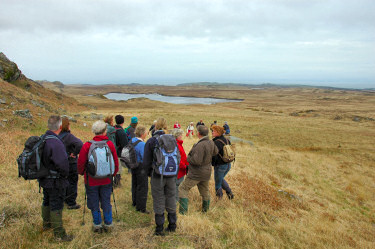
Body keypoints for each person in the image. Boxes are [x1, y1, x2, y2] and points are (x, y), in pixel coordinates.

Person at [77, 120, 119, 233]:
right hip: (106, 179)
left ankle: (97, 224)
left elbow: (81, 163)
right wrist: (113, 174)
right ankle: (108, 223)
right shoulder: (110, 144)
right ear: (105, 131)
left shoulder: (87, 145)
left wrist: (82, 173)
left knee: (93, 202)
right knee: (106, 200)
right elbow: (115, 161)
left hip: (91, 180)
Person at [40, 115, 73, 241]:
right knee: (56, 204)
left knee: (47, 200)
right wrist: (65, 174)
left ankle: (47, 225)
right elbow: (62, 164)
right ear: (60, 126)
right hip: (55, 180)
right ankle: (59, 234)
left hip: (44, 178)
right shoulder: (56, 142)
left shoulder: (44, 138)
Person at [143, 117, 177, 236]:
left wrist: (149, 174)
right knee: (171, 197)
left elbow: (146, 161)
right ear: (166, 126)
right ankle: (172, 225)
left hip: (157, 175)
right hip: (172, 175)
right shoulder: (173, 139)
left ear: (155, 127)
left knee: (158, 199)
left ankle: (159, 228)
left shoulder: (152, 141)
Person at [179, 125, 218, 214]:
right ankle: (205, 211)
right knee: (205, 191)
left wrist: (188, 158)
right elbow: (216, 152)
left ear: (199, 133)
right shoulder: (211, 142)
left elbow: (196, 161)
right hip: (206, 172)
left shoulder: (200, 145)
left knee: (182, 189)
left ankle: (183, 213)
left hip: (196, 173)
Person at [59, 116, 83, 210]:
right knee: (72, 182)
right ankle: (71, 203)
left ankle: (64, 199)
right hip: (70, 163)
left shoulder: (57, 136)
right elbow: (80, 144)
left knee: (63, 182)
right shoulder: (69, 136)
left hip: (60, 163)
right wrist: (74, 153)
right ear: (67, 125)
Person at [211, 125, 234, 200]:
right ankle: (230, 193)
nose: (212, 132)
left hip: (220, 165)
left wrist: (212, 163)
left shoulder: (217, 142)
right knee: (221, 179)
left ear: (218, 132)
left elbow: (214, 154)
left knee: (218, 183)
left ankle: (219, 199)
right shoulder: (227, 140)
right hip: (228, 164)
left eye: (214, 131)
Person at [131, 125, 149, 213]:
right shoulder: (142, 144)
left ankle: (134, 202)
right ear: (142, 134)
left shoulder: (132, 140)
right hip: (141, 166)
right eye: (146, 132)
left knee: (134, 184)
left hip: (133, 165)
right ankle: (141, 207)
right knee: (143, 187)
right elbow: (144, 157)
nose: (147, 134)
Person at [171, 128, 188, 202]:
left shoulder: (178, 144)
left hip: (181, 169)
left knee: (177, 186)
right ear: (177, 136)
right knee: (177, 186)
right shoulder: (176, 145)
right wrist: (184, 166)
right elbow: (178, 159)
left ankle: (175, 201)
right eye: (180, 134)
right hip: (179, 170)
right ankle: (175, 202)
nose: (182, 136)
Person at [113, 115, 128, 187]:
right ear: (123, 122)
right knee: (118, 168)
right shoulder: (121, 132)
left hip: (111, 150)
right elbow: (125, 144)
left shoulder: (112, 129)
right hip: (118, 152)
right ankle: (116, 183)